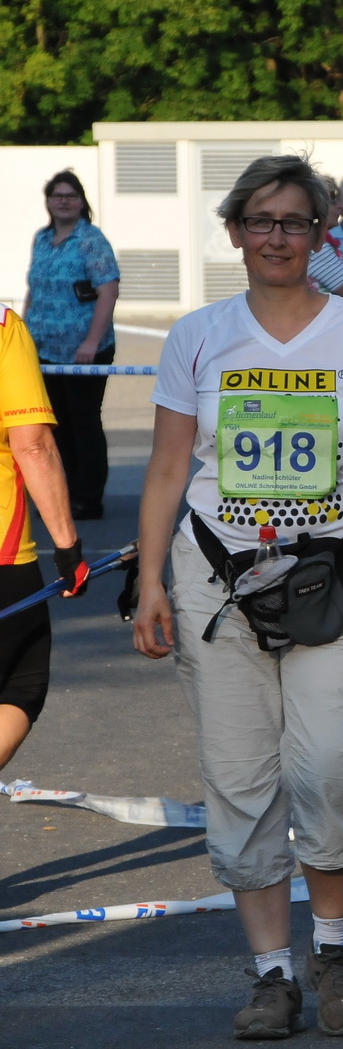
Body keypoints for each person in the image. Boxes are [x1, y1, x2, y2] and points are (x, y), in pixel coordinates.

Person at [131, 155, 343, 1042]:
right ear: (234, 232)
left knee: (332, 763)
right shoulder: (198, 335)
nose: (277, 238)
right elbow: (172, 465)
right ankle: (271, 973)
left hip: (336, 574)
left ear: (322, 232)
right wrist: (149, 580)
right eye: (261, 221)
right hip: (216, 578)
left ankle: (332, 946)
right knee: (239, 779)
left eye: (295, 222)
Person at [0, 304, 88, 775]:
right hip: (3, 553)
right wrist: (68, 546)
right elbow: (32, 445)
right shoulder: (3, 325)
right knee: (20, 685)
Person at [22, 170, 120, 520]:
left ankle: (87, 498)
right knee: (54, 422)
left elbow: (108, 290)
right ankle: (62, 491)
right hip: (44, 350)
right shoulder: (42, 239)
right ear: (48, 201)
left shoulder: (91, 240)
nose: (63, 200)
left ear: (81, 201)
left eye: (70, 195)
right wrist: (22, 336)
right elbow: (35, 290)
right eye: (57, 195)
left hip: (85, 350)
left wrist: (92, 341)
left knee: (84, 421)